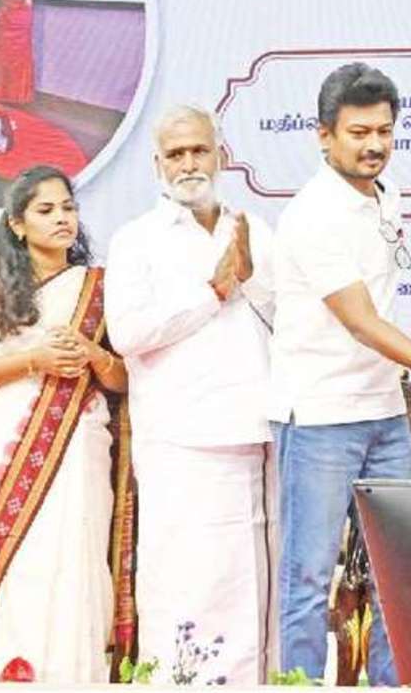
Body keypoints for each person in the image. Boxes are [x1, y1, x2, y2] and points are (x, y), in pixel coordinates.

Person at [270, 63, 411, 686]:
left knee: (396, 575)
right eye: (358, 133)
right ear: (324, 135)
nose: (374, 145)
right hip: (319, 417)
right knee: (308, 578)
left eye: (384, 131)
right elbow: (363, 322)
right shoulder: (312, 214)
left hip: (384, 413)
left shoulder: (386, 195)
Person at [0, 166, 135, 683]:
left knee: (71, 557)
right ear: (17, 223)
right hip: (3, 442)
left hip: (77, 444)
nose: (61, 219)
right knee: (12, 559)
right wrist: (35, 360)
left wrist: (94, 353)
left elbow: (122, 380)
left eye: (68, 208)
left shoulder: (99, 288)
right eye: (45, 210)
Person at [106, 107, 278, 683]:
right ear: (157, 164)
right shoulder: (136, 240)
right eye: (175, 154)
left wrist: (250, 278)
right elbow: (129, 333)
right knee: (185, 577)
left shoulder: (254, 231)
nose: (188, 164)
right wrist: (213, 291)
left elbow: (287, 320)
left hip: (254, 433)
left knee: (251, 581)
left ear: (220, 155)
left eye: (198, 151)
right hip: (179, 438)